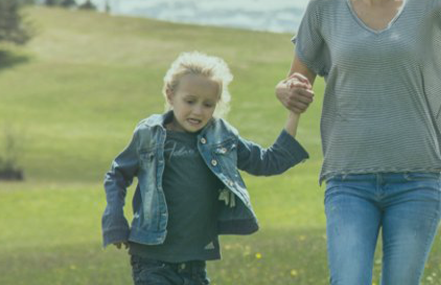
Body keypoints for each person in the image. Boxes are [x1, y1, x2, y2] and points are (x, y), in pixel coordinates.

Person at [276, 0, 441, 283]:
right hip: (348, 181)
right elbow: (295, 80)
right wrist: (285, 90)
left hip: (417, 181)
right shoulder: (324, 8)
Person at [99, 52, 310, 285]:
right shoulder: (149, 134)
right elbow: (116, 175)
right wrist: (115, 222)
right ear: (170, 94)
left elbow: (268, 161)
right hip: (151, 262)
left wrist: (294, 113)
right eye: (190, 101)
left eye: (208, 104)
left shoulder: (223, 137)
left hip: (195, 265)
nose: (198, 111)